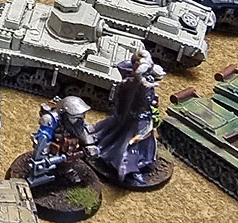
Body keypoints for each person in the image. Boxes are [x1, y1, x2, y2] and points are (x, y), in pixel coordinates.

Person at [92, 49, 165, 187]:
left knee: (144, 141)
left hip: (143, 117)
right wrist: (143, 84)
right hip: (135, 118)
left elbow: (148, 98)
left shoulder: (145, 82)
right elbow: (128, 98)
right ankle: (127, 169)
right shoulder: (133, 83)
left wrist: (152, 100)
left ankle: (144, 162)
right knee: (131, 143)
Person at [27, 96, 97, 190]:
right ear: (64, 113)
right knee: (44, 166)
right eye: (75, 117)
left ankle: (66, 171)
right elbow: (43, 138)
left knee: (69, 158)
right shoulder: (50, 120)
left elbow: (83, 131)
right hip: (52, 150)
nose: (79, 120)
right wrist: (44, 155)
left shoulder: (76, 123)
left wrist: (90, 146)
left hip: (67, 149)